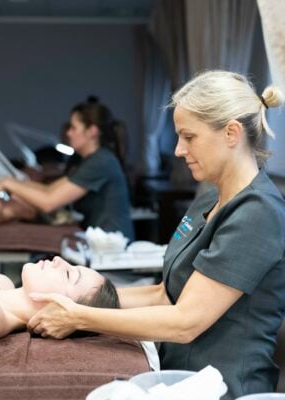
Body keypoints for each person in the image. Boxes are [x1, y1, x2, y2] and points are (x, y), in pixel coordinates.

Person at [26, 71, 285, 399]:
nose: (178, 150)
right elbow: (165, 293)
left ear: (232, 133)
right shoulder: (209, 198)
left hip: (224, 386)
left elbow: (186, 321)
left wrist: (79, 317)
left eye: (189, 137)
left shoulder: (258, 213)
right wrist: (76, 297)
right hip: (177, 373)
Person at [0, 97, 135, 241]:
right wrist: (17, 183)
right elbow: (49, 190)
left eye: (73, 128)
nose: (68, 133)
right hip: (102, 242)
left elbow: (49, 202)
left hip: (112, 247)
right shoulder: (87, 160)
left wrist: (9, 183)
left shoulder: (101, 162)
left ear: (92, 131)